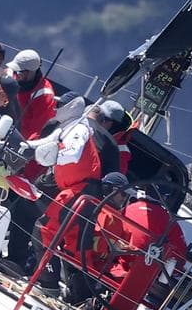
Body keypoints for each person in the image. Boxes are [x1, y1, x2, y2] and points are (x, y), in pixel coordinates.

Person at [33, 99, 126, 297]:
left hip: (78, 192)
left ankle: (48, 284)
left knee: (44, 231)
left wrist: (43, 156)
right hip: (84, 194)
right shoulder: (84, 132)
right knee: (77, 249)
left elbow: (71, 154)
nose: (56, 109)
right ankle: (82, 299)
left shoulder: (79, 128)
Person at [9, 49, 57, 140]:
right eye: (14, 70)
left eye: (19, 71)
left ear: (30, 72)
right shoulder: (13, 75)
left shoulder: (44, 96)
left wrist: (21, 144)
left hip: (20, 135)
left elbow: (35, 130)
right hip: (4, 122)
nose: (16, 74)